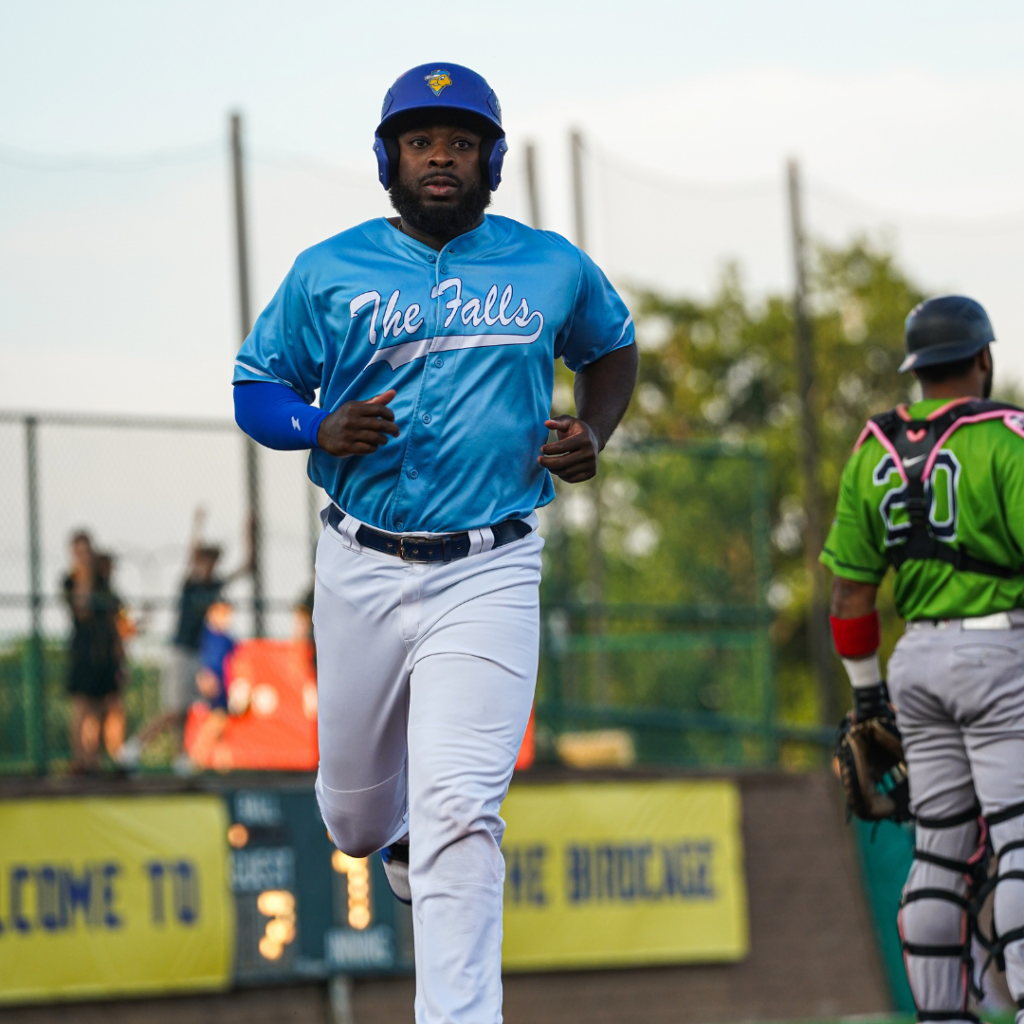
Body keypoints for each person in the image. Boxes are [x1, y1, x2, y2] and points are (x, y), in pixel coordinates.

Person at [233, 63, 637, 1024]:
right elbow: (256, 386)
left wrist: (594, 429)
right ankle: (396, 831)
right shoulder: (327, 270)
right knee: (354, 820)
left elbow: (612, 347)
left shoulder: (549, 265)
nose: (440, 157)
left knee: (463, 810)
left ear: (491, 160)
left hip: (491, 565)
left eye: (460, 141)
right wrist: (317, 425)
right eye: (420, 142)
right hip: (360, 565)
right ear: (390, 160)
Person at [821, 295, 1024, 1024]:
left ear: (917, 368)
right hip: (1000, 653)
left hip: (916, 664)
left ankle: (941, 1016)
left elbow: (850, 595)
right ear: (983, 358)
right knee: (1019, 837)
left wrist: (868, 699)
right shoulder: (1008, 436)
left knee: (939, 851)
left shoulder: (874, 447)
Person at [119, 506, 250, 767]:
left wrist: (250, 533)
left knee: (185, 711)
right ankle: (134, 746)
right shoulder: (191, 583)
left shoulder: (214, 586)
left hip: (196, 653)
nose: (208, 566)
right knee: (174, 710)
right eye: (205, 560)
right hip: (180, 651)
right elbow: (192, 557)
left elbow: (247, 567)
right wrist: (197, 525)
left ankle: (181, 758)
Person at [62, 536, 127, 772]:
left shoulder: (104, 584)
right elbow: (83, 609)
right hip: (84, 652)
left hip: (105, 655)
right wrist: (86, 574)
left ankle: (112, 758)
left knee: (110, 706)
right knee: (84, 706)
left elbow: (113, 617)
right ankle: (82, 760)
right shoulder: (71, 581)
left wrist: (119, 647)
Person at [184, 599, 237, 770]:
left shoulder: (227, 639)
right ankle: (195, 758)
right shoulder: (205, 635)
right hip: (210, 682)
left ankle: (223, 763)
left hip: (223, 684)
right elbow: (202, 660)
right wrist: (204, 677)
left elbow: (237, 658)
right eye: (221, 613)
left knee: (222, 722)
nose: (225, 618)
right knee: (217, 719)